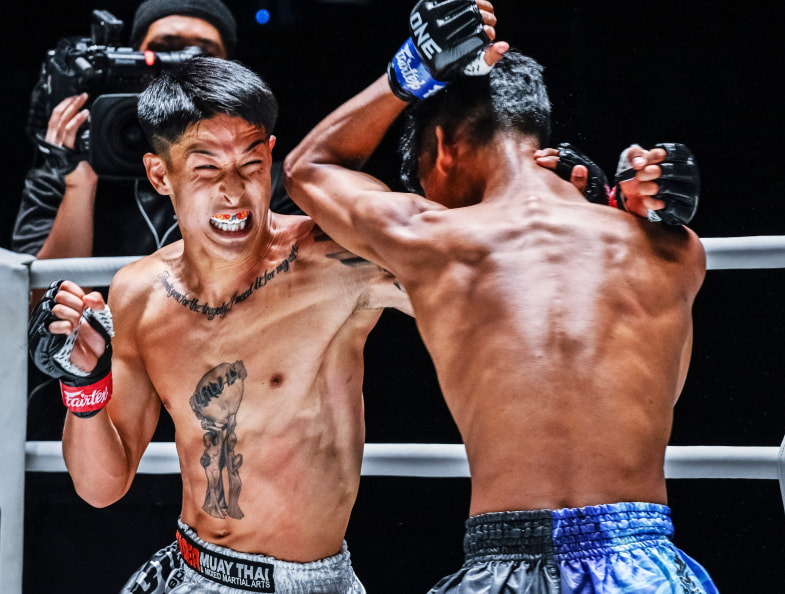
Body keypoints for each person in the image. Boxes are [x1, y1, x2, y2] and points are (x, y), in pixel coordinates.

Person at [282, 0, 716, 591]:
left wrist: (409, 72)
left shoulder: (434, 239)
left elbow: (306, 168)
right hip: (646, 567)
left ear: (443, 148)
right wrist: (620, 207)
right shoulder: (676, 251)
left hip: (506, 563)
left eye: (422, 181)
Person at [26, 54, 418, 593]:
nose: (233, 191)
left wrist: (408, 78)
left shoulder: (335, 260)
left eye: (250, 165)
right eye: (206, 169)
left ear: (272, 157)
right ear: (160, 174)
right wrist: (82, 385)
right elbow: (101, 487)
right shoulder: (138, 293)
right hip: (191, 570)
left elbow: (471, 274)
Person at [12, 0, 300, 262]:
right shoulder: (63, 176)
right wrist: (79, 185)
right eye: (164, 50)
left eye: (202, 56)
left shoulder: (269, 181)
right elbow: (38, 296)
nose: (183, 69)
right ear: (131, 61)